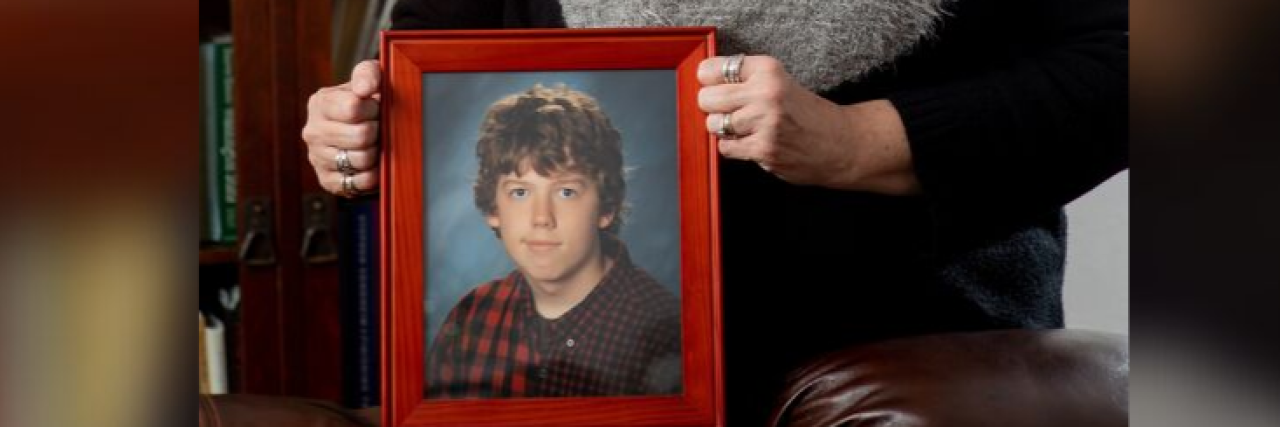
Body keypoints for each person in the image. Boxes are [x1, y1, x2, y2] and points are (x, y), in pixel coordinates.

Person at [302, 0, 1128, 422]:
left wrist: (855, 141)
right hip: (585, 389)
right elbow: (433, 60)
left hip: (905, 358)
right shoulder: (483, 315)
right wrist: (361, 137)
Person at [423, 83, 681, 398]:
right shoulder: (472, 318)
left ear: (606, 208)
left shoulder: (663, 330)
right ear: (493, 210)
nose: (541, 217)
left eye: (566, 192)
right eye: (520, 192)